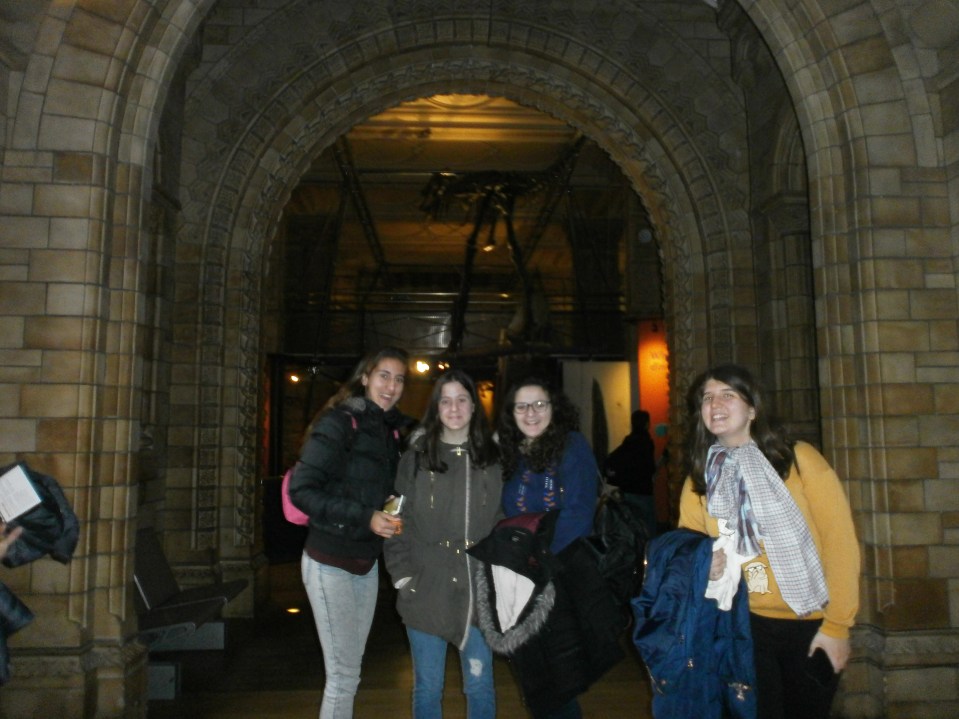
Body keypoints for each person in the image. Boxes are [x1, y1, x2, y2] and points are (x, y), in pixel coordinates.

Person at [677, 364, 860, 719]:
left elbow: (840, 543)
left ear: (752, 409)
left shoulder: (798, 460)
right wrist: (703, 564)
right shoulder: (701, 477)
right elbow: (687, 549)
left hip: (811, 624)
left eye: (728, 394)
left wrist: (838, 627)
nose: (715, 404)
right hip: (742, 625)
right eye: (707, 398)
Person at [485, 377, 622, 719]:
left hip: (562, 576)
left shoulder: (571, 446)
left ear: (553, 408)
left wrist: (535, 560)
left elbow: (579, 513)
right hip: (523, 579)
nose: (531, 413)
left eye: (539, 404)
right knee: (534, 675)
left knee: (560, 677)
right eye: (522, 406)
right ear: (511, 413)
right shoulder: (511, 454)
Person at [288, 347, 412, 719]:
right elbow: (302, 490)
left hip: (365, 563)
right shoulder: (340, 422)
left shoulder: (391, 431)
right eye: (384, 376)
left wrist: (388, 512)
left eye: (399, 379)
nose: (391, 386)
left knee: (351, 671)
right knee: (342, 676)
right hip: (329, 560)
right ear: (365, 377)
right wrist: (365, 517)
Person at [384, 369, 503, 719]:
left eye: (461, 400)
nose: (454, 408)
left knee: (480, 685)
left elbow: (505, 518)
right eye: (446, 401)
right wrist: (403, 576)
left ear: (473, 406)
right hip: (425, 588)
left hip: (477, 592)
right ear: (436, 407)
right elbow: (395, 518)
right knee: (427, 687)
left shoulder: (493, 458)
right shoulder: (416, 457)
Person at [604, 409, 657, 539]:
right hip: (644, 491)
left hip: (628, 491)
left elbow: (612, 459)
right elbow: (650, 468)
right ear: (646, 424)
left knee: (632, 527)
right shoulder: (646, 442)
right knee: (649, 528)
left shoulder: (628, 442)